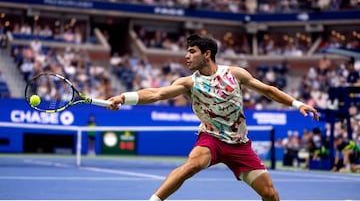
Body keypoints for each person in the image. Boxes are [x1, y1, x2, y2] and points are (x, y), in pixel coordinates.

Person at [107, 34, 319, 201]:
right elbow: (156, 93)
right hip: (211, 138)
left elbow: (269, 91)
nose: (186, 56)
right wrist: (123, 97)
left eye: (192, 51)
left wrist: (297, 104)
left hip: (239, 144)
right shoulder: (189, 83)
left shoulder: (235, 74)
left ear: (206, 54)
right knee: (191, 166)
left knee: (270, 195)